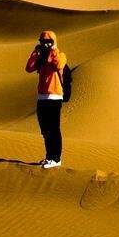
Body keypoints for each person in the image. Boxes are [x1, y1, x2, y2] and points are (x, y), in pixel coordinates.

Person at [25, 29, 70, 168]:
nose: (45, 44)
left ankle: (56, 159)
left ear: (54, 42)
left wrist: (53, 49)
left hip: (55, 97)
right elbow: (29, 68)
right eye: (43, 42)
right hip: (42, 97)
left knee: (53, 129)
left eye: (48, 42)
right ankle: (49, 157)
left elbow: (58, 65)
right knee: (45, 130)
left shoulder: (60, 55)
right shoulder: (40, 56)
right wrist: (36, 52)